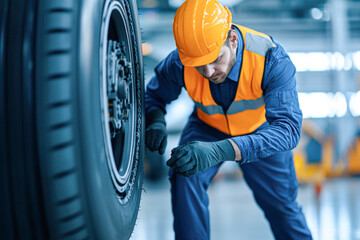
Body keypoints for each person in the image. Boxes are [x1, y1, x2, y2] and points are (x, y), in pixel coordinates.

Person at [145, 0, 313, 239]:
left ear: (232, 39)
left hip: (260, 132)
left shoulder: (271, 59)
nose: (208, 72)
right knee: (184, 173)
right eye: (199, 66)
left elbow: (287, 130)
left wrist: (220, 151)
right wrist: (155, 121)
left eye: (215, 59)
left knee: (282, 207)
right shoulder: (182, 61)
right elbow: (154, 94)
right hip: (206, 126)